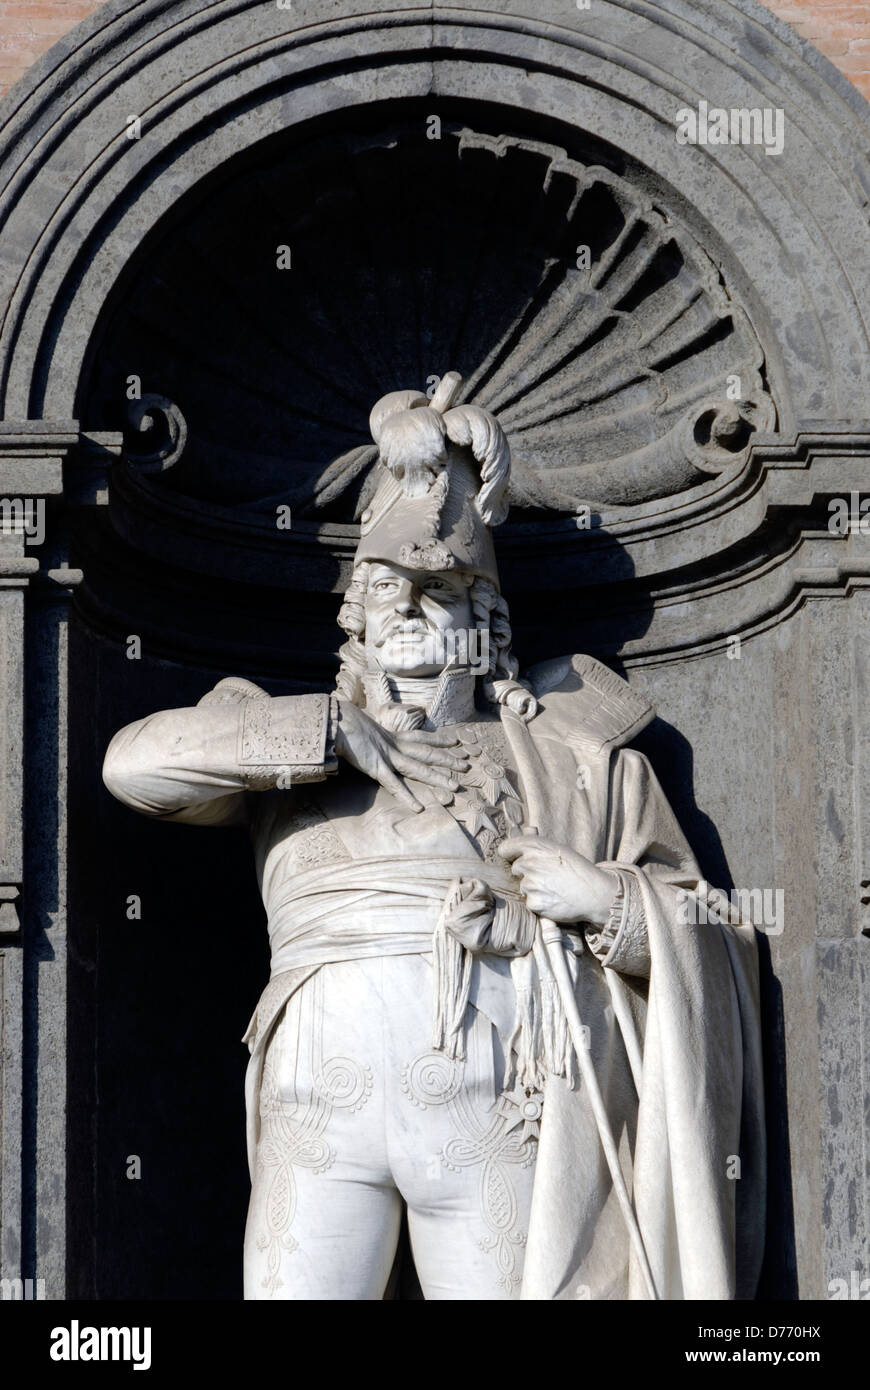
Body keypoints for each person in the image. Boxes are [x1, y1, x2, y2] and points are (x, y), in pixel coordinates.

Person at [103, 374, 765, 1300]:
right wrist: (330, 736)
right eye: (389, 586)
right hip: (315, 1107)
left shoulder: (582, 763)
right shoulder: (279, 738)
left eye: (441, 588)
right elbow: (133, 766)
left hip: (495, 1107)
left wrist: (608, 900)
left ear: (489, 622)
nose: (411, 605)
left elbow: (716, 935)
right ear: (357, 615)